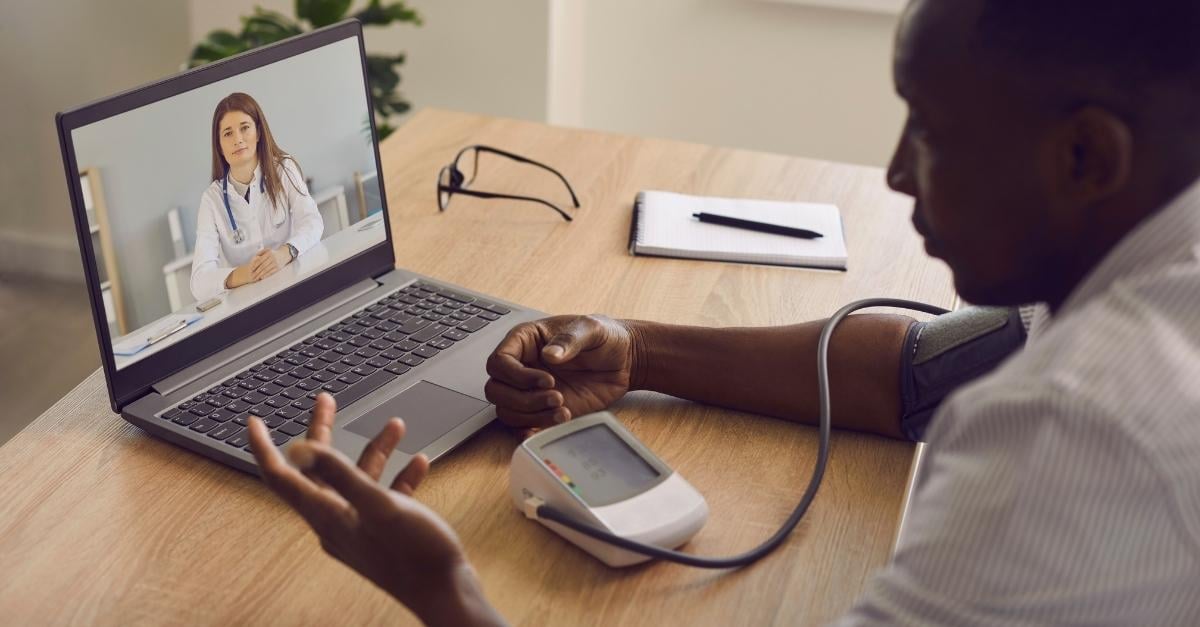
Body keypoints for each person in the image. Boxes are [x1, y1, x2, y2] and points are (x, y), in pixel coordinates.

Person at [247, 0, 1200, 623]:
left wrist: (446, 591)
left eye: (935, 131)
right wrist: (640, 349)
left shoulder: (1086, 426)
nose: (898, 171)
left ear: (1086, 159)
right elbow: (914, 373)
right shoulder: (1151, 242)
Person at [190, 92, 323, 302]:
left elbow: (312, 222)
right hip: (251, 304)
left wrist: (285, 253)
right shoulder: (211, 200)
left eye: (245, 128)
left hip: (297, 287)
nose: (238, 139)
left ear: (258, 132)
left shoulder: (284, 168)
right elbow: (199, 281)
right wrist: (245, 273)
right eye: (227, 133)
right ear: (219, 146)